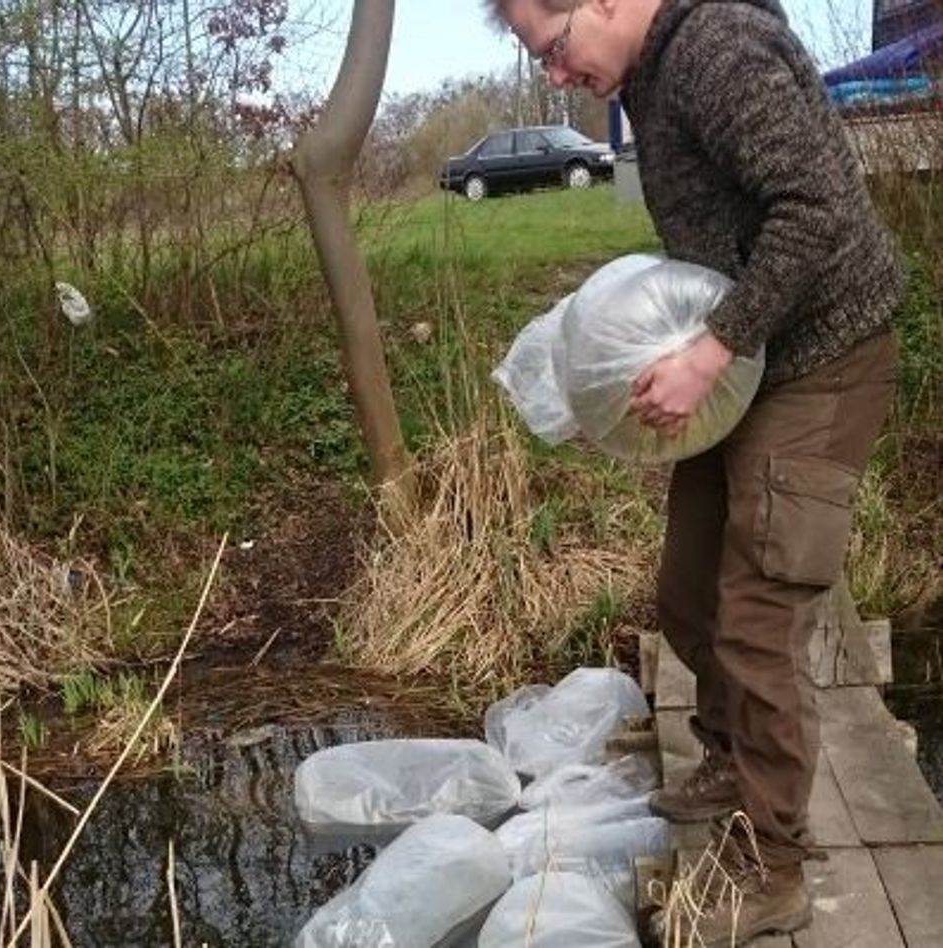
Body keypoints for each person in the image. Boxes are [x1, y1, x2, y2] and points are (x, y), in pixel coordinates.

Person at [484, 0, 905, 944]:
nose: (555, 76)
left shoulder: (719, 48)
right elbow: (713, 247)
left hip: (824, 357)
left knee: (758, 621)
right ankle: (728, 755)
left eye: (553, 50)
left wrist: (709, 352)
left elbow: (818, 209)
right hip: (753, 360)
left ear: (597, 4)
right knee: (687, 593)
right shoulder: (650, 78)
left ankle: (775, 865)